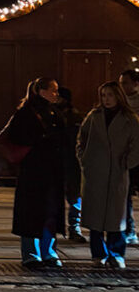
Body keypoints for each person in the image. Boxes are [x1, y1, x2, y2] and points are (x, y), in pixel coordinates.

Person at [0, 77, 67, 269]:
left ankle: (48, 252)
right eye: (52, 90)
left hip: (51, 171)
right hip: (34, 170)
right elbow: (20, 137)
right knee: (33, 212)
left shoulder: (54, 112)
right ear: (41, 91)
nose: (56, 94)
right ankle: (32, 253)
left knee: (50, 213)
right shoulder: (27, 113)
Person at [77, 81, 139, 270]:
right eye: (103, 95)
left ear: (118, 96)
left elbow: (136, 144)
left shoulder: (130, 119)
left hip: (117, 172)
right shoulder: (94, 116)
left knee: (116, 216)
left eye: (110, 95)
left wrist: (127, 163)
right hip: (95, 171)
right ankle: (98, 253)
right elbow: (81, 138)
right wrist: (84, 159)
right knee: (95, 216)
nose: (106, 99)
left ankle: (116, 253)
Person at [57, 86, 85, 242]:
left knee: (74, 197)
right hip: (61, 160)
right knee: (71, 197)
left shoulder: (73, 117)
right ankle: (70, 228)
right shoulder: (51, 114)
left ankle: (74, 227)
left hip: (69, 161)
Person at [118, 69, 139, 245]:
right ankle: (130, 229)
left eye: (125, 82)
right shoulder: (119, 103)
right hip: (126, 154)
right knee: (125, 194)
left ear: (135, 83)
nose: (122, 86)